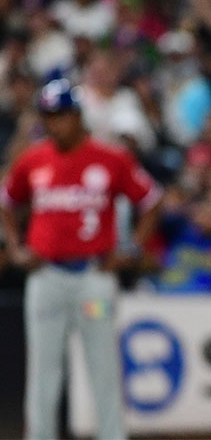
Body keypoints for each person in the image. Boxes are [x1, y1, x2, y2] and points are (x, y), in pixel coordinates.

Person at [0, 78, 162, 439]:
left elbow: (151, 200)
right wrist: (15, 247)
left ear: (77, 115)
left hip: (93, 276)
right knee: (44, 370)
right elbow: (7, 201)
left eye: (61, 115)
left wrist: (133, 248)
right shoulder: (33, 160)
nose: (55, 123)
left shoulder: (110, 158)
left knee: (103, 366)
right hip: (47, 277)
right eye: (49, 116)